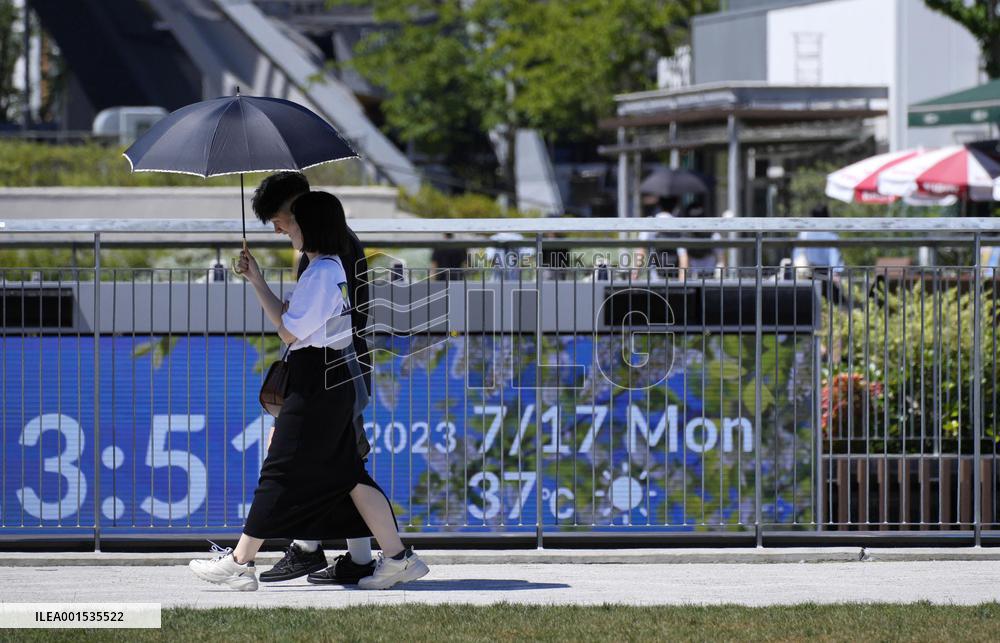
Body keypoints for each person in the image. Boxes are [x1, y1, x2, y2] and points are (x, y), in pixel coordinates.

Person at [189, 191, 429, 591]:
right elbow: (290, 321)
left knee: (279, 470)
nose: (286, 230)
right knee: (348, 474)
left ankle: (240, 562)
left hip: (317, 382)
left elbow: (287, 331)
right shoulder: (323, 269)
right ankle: (398, 558)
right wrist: (256, 279)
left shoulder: (321, 273)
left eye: (292, 222)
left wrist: (266, 292)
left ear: (312, 225)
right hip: (326, 380)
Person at [247, 172, 375, 586]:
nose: (279, 229)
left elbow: (301, 328)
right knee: (340, 465)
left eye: (280, 220)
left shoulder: (327, 255)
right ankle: (353, 555)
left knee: (337, 465)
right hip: (337, 367)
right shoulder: (331, 247)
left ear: (300, 209)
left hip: (334, 370)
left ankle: (311, 549)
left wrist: (270, 296)